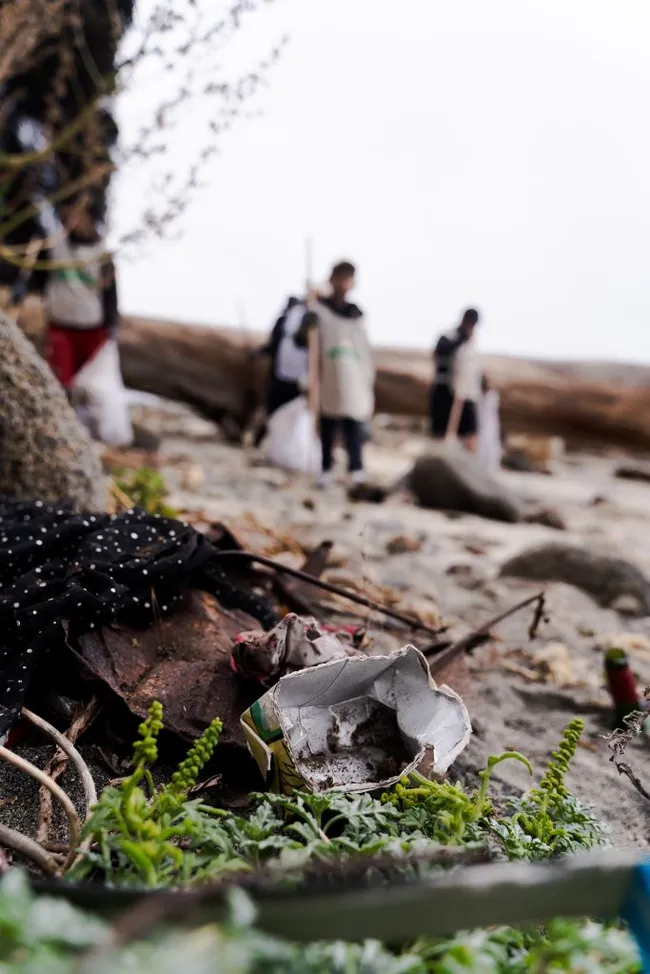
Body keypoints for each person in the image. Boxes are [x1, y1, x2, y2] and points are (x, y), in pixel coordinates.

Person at [297, 261, 374, 486]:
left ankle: (356, 469)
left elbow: (364, 349)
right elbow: (303, 343)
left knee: (353, 424)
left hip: (353, 375)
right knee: (328, 422)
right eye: (340, 277)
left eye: (348, 279)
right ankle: (326, 468)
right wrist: (306, 327)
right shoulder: (319, 311)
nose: (343, 283)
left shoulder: (357, 315)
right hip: (328, 374)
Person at [431, 308, 481, 452]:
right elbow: (439, 354)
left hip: (466, 392)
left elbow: (473, 370)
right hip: (445, 389)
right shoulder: (449, 337)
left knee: (469, 432)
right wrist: (463, 337)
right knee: (440, 431)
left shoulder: (470, 345)